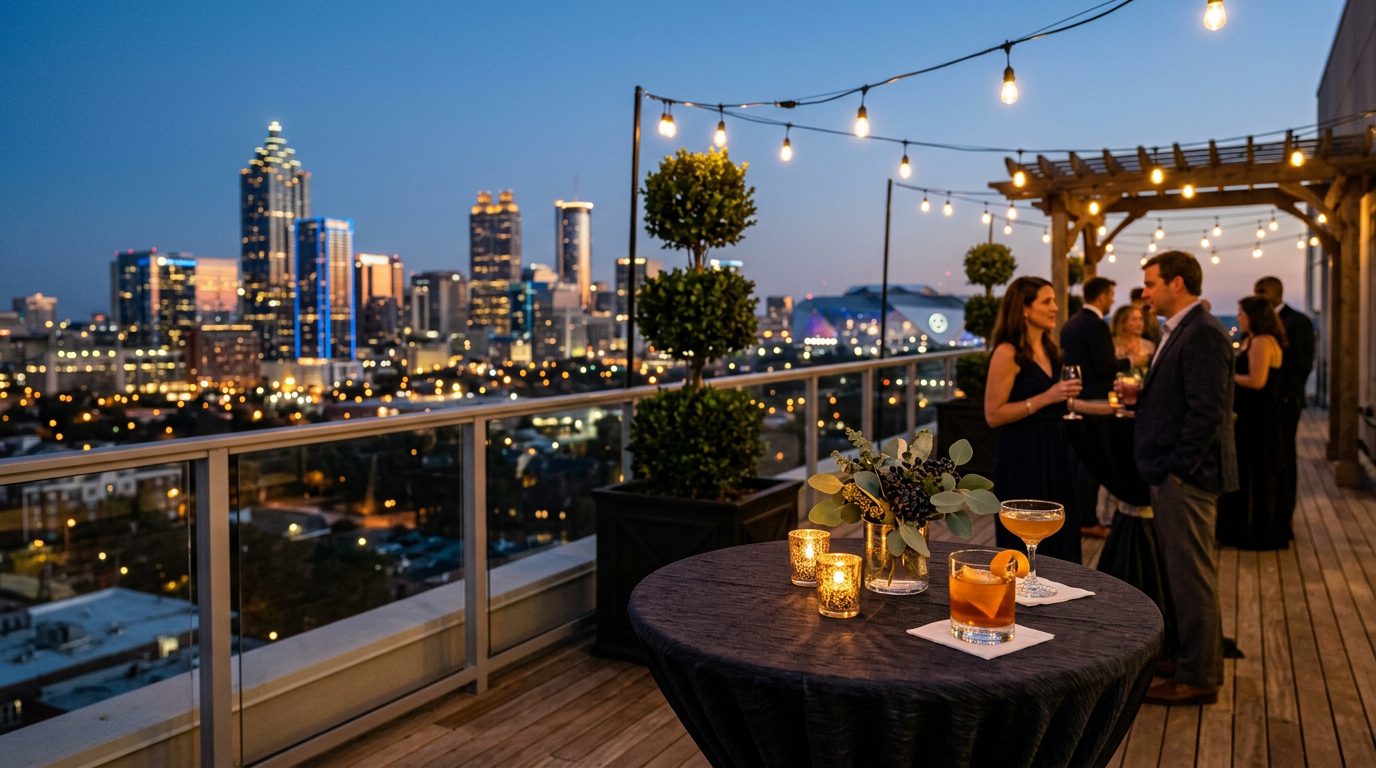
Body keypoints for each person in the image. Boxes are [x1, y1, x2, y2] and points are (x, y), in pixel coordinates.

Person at [1134, 251, 1237, 706]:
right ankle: (1186, 656)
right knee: (1181, 573)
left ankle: (1199, 676)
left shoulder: (1203, 332)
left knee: (1192, 576)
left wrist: (1177, 469)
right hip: (1175, 472)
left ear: (1176, 283)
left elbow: (1207, 412)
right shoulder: (1182, 329)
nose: (1145, 293)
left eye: (1151, 283)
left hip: (1187, 478)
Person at [984, 276, 1084, 563]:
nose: (1055, 308)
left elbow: (1062, 401)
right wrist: (1046, 397)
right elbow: (993, 414)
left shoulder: (1051, 349)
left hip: (1056, 451)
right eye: (1047, 301)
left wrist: (1114, 408)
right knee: (1023, 540)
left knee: (1062, 536)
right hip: (1023, 455)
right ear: (1025, 309)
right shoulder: (1007, 353)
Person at [1217, 296, 1289, 549]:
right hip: (1252, 415)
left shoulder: (1262, 342)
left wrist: (1228, 376)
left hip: (1260, 417)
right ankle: (1240, 528)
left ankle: (1257, 532)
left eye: (1241, 314)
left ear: (1253, 316)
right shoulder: (1253, 339)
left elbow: (1257, 381)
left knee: (1258, 473)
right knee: (1247, 471)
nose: (1238, 318)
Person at [1060, 276, 1119, 538]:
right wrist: (1129, 362)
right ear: (1102, 296)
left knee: (1077, 462)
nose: (1112, 300)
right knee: (1093, 463)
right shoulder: (1097, 325)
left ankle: (1077, 515)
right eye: (1111, 295)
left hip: (1074, 400)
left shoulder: (1070, 323)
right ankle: (1088, 519)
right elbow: (1105, 366)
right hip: (1095, 401)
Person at [1254, 276, 1314, 528]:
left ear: (1275, 293)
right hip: (1266, 405)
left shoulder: (1298, 321)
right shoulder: (1262, 324)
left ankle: (1284, 511)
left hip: (1286, 401)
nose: (1258, 297)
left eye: (1261, 292)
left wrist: (1287, 394)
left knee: (1285, 456)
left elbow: (1303, 362)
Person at [1111, 304, 1156, 373]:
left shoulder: (1149, 346)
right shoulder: (1111, 344)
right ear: (1122, 323)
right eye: (1134, 319)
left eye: (1141, 319)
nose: (1139, 323)